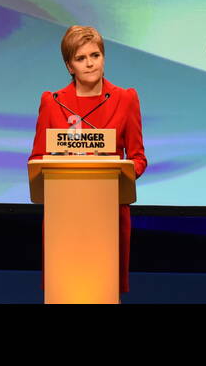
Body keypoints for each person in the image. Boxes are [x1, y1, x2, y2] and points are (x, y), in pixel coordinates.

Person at [29, 25, 147, 295]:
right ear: (70, 66)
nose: (90, 63)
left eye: (95, 55)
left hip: (109, 214)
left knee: (104, 291)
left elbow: (138, 158)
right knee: (65, 291)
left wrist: (118, 173)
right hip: (65, 215)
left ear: (104, 58)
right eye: (81, 58)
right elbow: (37, 158)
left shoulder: (125, 99)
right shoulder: (52, 102)